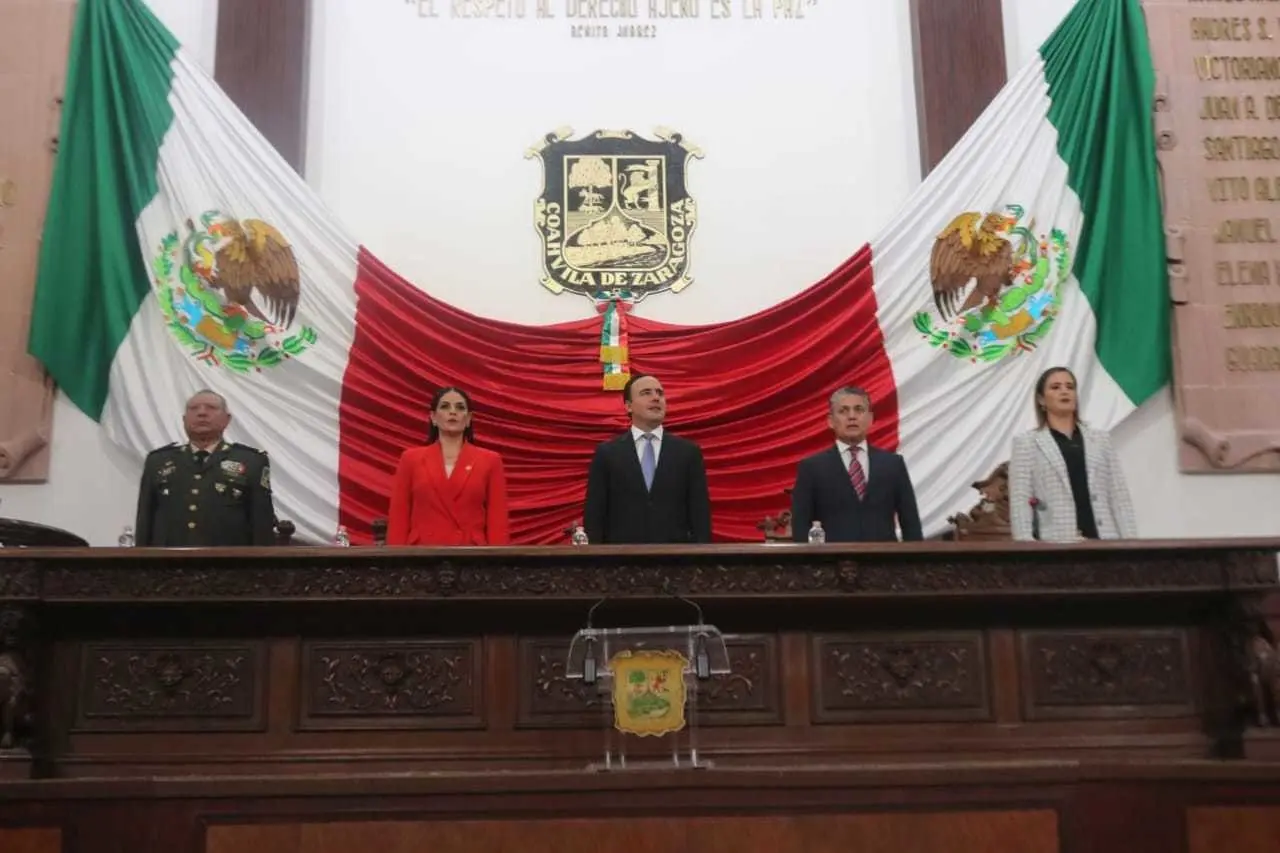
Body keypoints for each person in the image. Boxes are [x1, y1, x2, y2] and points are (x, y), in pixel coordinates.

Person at [1009, 366, 1138, 542]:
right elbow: (1020, 501)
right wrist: (1026, 547)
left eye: (1070, 387)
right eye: (1055, 387)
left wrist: (1131, 543)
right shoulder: (1027, 443)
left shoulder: (1100, 440)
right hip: (1056, 544)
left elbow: (1118, 496)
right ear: (1041, 399)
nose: (1064, 391)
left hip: (1105, 541)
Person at [135, 389, 276, 547]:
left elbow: (262, 523)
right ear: (184, 419)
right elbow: (145, 520)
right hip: (169, 564)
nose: (202, 413)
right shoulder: (158, 460)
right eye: (193, 408)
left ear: (227, 419)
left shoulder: (251, 461)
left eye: (211, 408)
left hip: (229, 565)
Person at [582, 373, 712, 544]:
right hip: (619, 561)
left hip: (678, 561)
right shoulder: (607, 453)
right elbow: (595, 515)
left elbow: (700, 515)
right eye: (646, 393)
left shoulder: (688, 452)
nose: (656, 398)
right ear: (629, 406)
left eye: (660, 393)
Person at [790, 386, 922, 543]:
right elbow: (800, 526)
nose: (851, 416)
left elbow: (910, 523)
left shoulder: (893, 464)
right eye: (843, 411)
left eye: (859, 410)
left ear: (870, 419)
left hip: (884, 563)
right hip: (831, 563)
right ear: (831, 421)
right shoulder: (812, 467)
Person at [387, 386, 509, 546]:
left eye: (460, 407)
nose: (453, 412)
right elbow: (399, 517)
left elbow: (497, 520)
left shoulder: (490, 460)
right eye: (445, 406)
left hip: (472, 558)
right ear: (433, 417)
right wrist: (396, 563)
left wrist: (498, 564)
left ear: (468, 419)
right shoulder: (410, 459)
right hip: (420, 558)